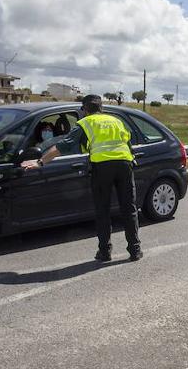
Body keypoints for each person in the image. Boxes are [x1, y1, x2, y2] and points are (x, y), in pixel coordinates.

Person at [22, 96, 142, 262]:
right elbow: (127, 143)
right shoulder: (116, 121)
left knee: (103, 210)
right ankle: (135, 250)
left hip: (102, 167)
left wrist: (40, 162)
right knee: (129, 209)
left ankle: (105, 252)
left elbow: (62, 146)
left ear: (84, 109)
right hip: (124, 165)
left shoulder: (85, 123)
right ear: (102, 108)